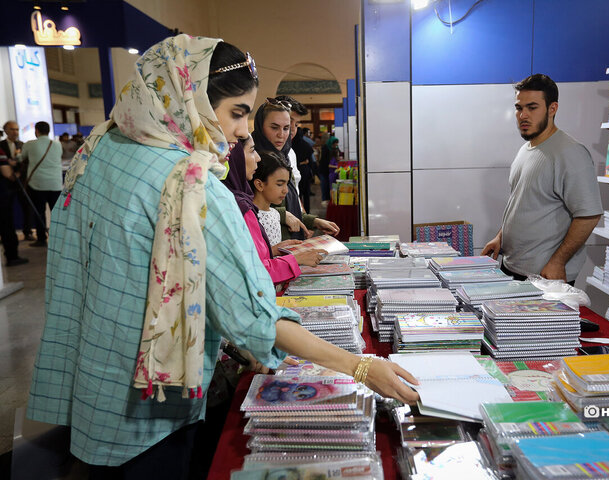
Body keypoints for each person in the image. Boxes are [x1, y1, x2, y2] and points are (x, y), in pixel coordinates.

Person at [26, 35, 418, 477]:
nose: (243, 131)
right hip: (150, 402)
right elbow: (252, 316)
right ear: (189, 101)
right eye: (237, 113)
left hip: (93, 378)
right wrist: (360, 366)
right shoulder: (190, 183)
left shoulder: (99, 149)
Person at [481, 74, 602, 284]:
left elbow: (589, 215)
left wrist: (558, 261)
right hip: (511, 268)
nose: (523, 115)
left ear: (552, 109)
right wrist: (501, 237)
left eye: (532, 107)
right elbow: (522, 204)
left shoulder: (571, 153)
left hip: (544, 278)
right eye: (519, 108)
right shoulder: (526, 149)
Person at [223, 139, 322, 285]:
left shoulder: (239, 201)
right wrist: (296, 259)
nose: (257, 157)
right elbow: (255, 271)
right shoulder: (240, 207)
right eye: (251, 150)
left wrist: (273, 250)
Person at [251, 98, 340, 240]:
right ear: (261, 127)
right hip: (267, 245)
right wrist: (282, 215)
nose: (282, 135)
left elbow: (291, 204)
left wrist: (314, 221)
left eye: (286, 128)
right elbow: (244, 206)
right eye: (274, 127)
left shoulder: (284, 156)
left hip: (289, 243)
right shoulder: (250, 159)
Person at [20, 121, 63, 247]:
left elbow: (22, 158)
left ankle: (41, 238)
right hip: (55, 184)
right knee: (56, 213)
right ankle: (59, 238)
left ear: (36, 131)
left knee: (39, 211)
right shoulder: (57, 144)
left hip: (37, 184)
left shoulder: (30, 144)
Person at [1, 120, 35, 241]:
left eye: (17, 129)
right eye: (12, 129)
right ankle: (7, 236)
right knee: (6, 210)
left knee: (27, 207)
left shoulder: (23, 144)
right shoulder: (1, 145)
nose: (15, 132)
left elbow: (27, 161)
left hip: (21, 182)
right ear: (6, 131)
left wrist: (20, 173)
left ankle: (28, 232)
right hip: (5, 183)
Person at [0, 148, 28, 266]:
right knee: (7, 226)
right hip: (2, 194)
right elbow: (7, 174)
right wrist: (18, 173)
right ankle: (12, 257)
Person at [319, 135, 339, 206]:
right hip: (324, 170)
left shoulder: (333, 149)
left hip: (330, 171)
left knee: (329, 185)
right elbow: (325, 162)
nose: (335, 145)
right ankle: (325, 200)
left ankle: (328, 200)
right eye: (334, 144)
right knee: (324, 185)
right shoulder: (325, 149)